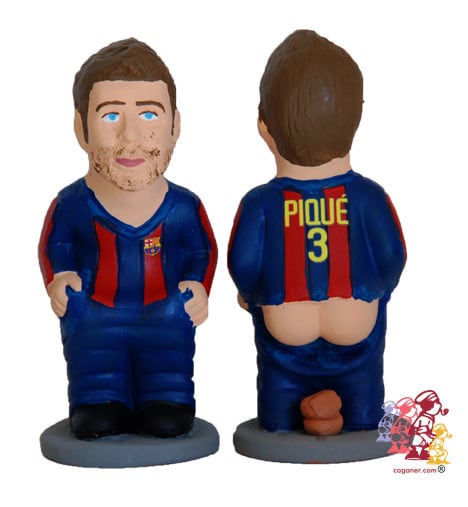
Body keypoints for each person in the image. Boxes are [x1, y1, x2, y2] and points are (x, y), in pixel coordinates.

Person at [228, 30, 406, 434]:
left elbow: (243, 262)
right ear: (356, 118)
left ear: (263, 126)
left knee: (280, 393)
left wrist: (251, 295)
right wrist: (379, 289)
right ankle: (360, 416)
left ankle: (281, 419)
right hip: (356, 319)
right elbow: (392, 255)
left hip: (285, 325)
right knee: (362, 391)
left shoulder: (260, 203)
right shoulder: (369, 197)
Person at [38, 38, 217, 440]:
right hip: (95, 319)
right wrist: (60, 277)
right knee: (96, 373)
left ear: (175, 126)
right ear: (81, 127)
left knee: (167, 376)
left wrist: (197, 285)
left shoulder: (184, 208)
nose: (131, 135)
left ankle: (165, 399)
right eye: (111, 115)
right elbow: (56, 245)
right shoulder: (72, 205)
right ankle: (98, 401)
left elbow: (201, 250)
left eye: (149, 114)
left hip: (165, 317)